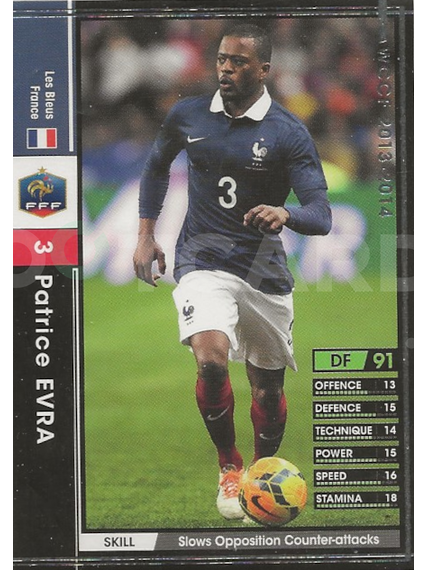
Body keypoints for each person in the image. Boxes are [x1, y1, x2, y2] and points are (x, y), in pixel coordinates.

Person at [133, 23, 331, 521]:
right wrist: (145, 234)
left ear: (264, 70)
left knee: (268, 389)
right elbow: (156, 167)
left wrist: (286, 213)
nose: (225, 68)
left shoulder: (288, 132)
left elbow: (321, 214)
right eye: (222, 59)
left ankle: (261, 471)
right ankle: (229, 466)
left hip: (264, 272)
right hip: (201, 260)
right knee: (212, 361)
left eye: (238, 62)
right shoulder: (189, 114)